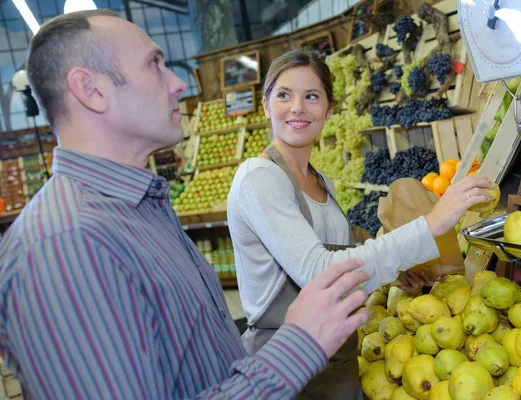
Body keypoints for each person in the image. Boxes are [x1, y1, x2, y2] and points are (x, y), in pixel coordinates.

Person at [0, 11, 373, 399]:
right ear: (90, 89)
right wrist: (298, 346)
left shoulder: (141, 210)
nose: (178, 83)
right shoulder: (65, 245)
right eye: (154, 64)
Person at [226, 50, 495, 399]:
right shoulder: (258, 177)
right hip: (287, 365)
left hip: (338, 360)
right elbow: (318, 273)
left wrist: (392, 274)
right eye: (284, 95)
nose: (297, 107)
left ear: (329, 109)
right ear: (265, 105)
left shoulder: (321, 181)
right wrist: (430, 226)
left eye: (311, 96)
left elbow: (337, 257)